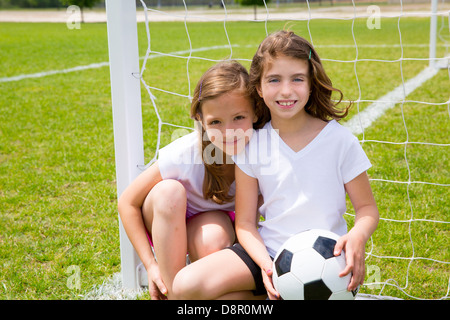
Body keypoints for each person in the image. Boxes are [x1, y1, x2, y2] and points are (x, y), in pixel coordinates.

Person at [171, 30, 379, 300]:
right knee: (185, 285)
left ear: (311, 83)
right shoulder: (254, 145)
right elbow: (245, 224)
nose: (286, 90)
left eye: (297, 79)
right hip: (268, 253)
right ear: (258, 87)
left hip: (330, 261)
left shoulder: (339, 140)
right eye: (274, 79)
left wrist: (358, 236)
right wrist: (269, 268)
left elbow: (367, 209)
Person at [117, 60, 269, 300]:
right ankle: (173, 293)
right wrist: (150, 265)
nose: (228, 131)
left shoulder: (266, 149)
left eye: (238, 117)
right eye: (215, 122)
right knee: (169, 192)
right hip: (167, 215)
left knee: (212, 241)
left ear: (256, 112)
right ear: (200, 119)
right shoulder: (186, 154)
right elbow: (127, 202)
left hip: (217, 223)